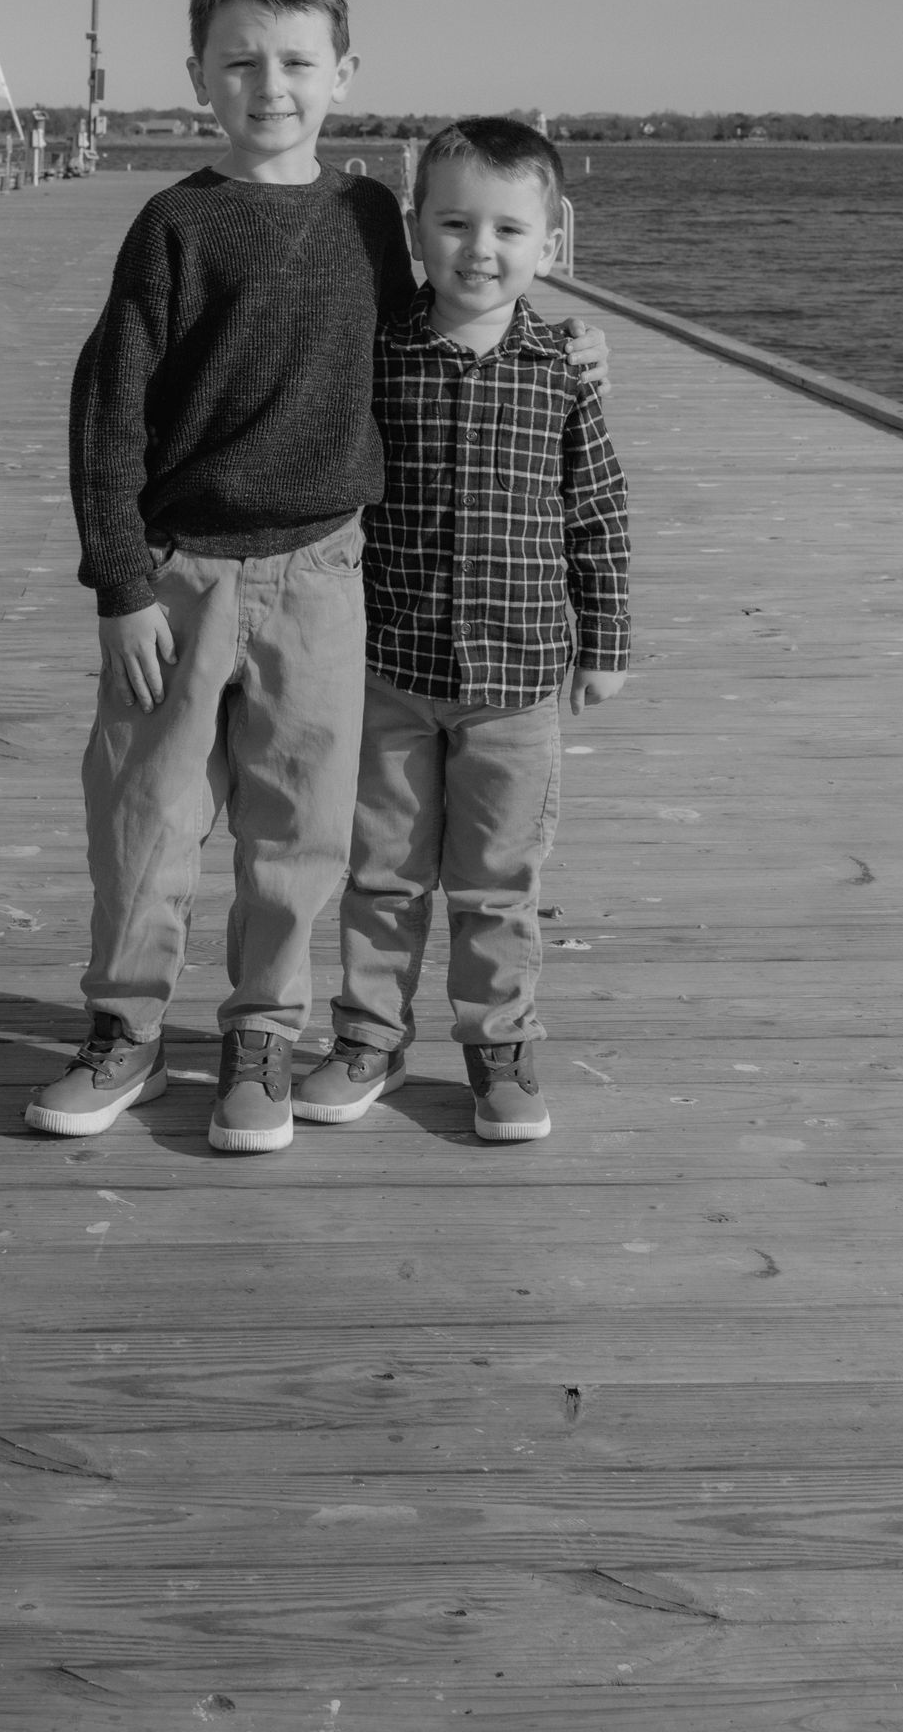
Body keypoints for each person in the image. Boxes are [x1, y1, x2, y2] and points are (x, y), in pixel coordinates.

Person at [26, 0, 603, 1155]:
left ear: (344, 72)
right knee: (148, 819)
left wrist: (566, 349)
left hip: (326, 576)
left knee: (301, 834)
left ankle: (258, 1040)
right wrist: (120, 581)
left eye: (295, 59)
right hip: (181, 571)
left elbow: (449, 316)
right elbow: (110, 407)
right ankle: (123, 1028)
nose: (269, 83)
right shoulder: (176, 225)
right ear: (198, 75)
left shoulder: (366, 219)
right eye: (239, 60)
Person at [294, 116, 630, 1144]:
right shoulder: (378, 350)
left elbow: (597, 505)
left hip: (520, 674)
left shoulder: (562, 366)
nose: (478, 251)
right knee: (383, 871)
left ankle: (501, 1047)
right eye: (452, 224)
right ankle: (368, 1035)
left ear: (550, 243)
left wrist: (607, 637)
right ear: (413, 229)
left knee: (498, 884)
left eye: (508, 231)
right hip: (390, 665)